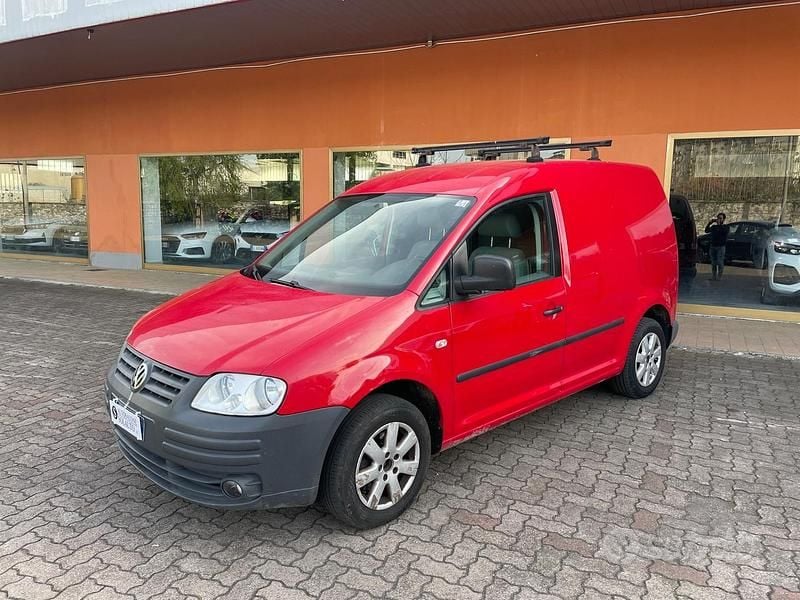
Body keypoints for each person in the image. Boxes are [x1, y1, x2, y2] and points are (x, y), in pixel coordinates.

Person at [705, 212, 729, 280]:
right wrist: (710, 223)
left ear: (723, 219)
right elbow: (706, 230)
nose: (718, 219)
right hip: (713, 246)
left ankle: (719, 276)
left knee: (719, 261)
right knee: (713, 262)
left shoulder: (725, 227)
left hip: (721, 247)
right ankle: (714, 276)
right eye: (718, 218)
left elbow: (723, 232)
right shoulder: (714, 227)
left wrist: (718, 224)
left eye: (720, 218)